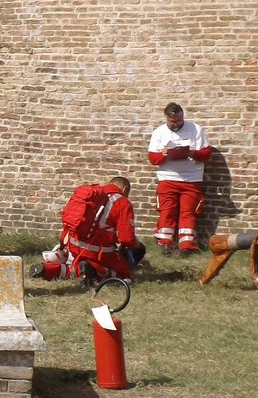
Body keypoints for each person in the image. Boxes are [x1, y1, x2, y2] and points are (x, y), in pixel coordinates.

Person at [33, 176, 146, 281]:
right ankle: (96, 271)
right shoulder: (122, 202)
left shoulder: (88, 194)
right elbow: (126, 238)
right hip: (99, 252)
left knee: (74, 267)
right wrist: (138, 247)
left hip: (74, 246)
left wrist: (63, 246)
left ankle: (47, 269)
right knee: (123, 273)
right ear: (125, 189)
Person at [148, 101, 212, 254]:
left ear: (183, 116)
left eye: (179, 120)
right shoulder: (159, 132)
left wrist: (192, 153)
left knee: (188, 213)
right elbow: (152, 158)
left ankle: (186, 245)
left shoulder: (196, 129)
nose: (176, 124)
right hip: (168, 178)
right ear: (166, 119)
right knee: (167, 211)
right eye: (172, 121)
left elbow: (207, 154)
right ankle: (165, 243)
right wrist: (163, 154)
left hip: (192, 179)